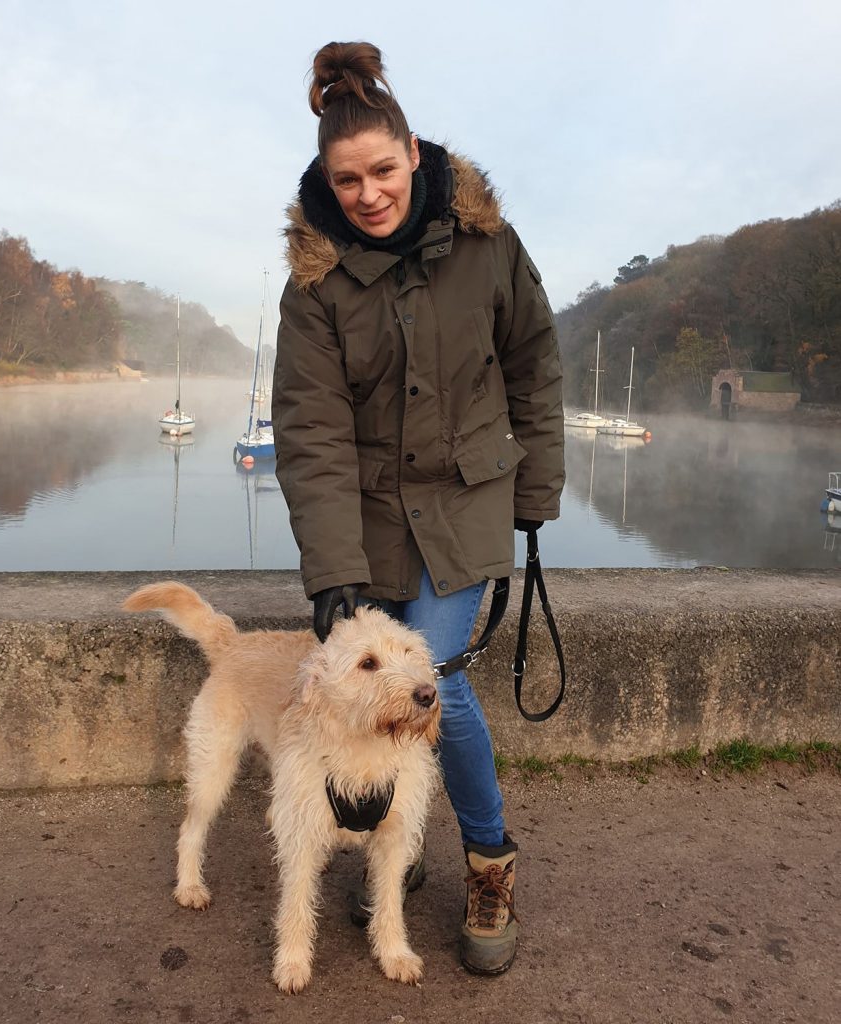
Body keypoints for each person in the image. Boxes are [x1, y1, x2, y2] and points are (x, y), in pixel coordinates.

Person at [272, 40, 564, 976]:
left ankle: (488, 859)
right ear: (326, 179)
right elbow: (310, 429)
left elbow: (534, 359)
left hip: (467, 502)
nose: (368, 193)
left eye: (383, 170)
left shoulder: (486, 243)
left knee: (436, 682)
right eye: (347, 178)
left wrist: (538, 489)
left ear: (414, 154)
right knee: (367, 690)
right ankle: (385, 848)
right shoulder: (314, 285)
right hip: (363, 520)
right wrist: (332, 570)